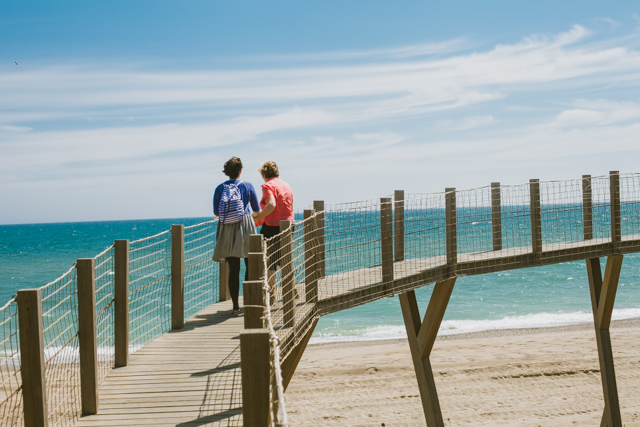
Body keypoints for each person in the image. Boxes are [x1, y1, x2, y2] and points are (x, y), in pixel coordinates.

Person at [212, 157, 261, 316]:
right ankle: (249, 303)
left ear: (227, 172)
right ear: (240, 170)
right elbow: (256, 209)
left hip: (227, 227)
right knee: (249, 265)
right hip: (245, 224)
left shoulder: (220, 188)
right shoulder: (247, 186)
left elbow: (217, 212)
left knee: (233, 269)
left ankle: (235, 307)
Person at [251, 161, 294, 301]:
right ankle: (291, 288)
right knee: (285, 258)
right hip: (288, 225)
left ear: (264, 175)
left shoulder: (267, 186)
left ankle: (272, 293)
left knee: (270, 260)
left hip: (272, 226)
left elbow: (271, 205)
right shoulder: (286, 185)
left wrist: (257, 217)